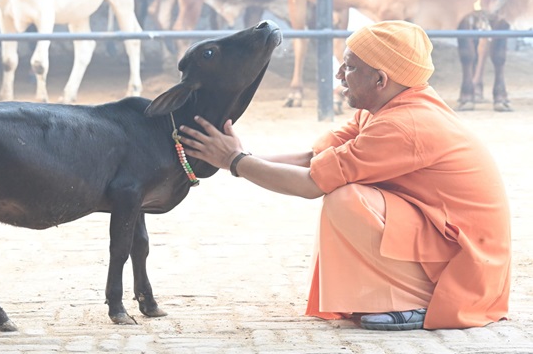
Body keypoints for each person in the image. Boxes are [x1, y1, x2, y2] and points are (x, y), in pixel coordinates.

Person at [178, 20, 511, 331]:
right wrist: (231, 158)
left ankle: (427, 301)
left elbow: (312, 184)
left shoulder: (403, 124)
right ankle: (408, 294)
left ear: (380, 80)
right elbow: (314, 158)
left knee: (346, 198)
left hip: (469, 268)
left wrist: (235, 160)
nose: (339, 74)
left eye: (350, 68)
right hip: (448, 239)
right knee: (345, 192)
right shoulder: (387, 106)